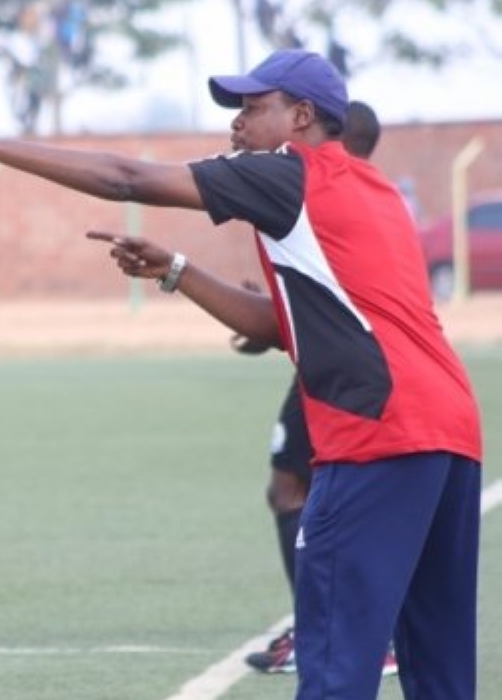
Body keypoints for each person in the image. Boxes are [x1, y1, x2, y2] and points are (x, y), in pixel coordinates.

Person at [0, 49, 481, 700]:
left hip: (379, 430)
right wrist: (178, 271)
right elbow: (275, 326)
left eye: (252, 108)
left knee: (334, 668)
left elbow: (127, 177)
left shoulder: (285, 173)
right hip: (450, 430)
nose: (237, 124)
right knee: (439, 672)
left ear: (301, 116)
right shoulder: (370, 187)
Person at [235, 99, 397, 676]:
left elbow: (129, 179)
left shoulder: (323, 195)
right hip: (351, 376)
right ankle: (352, 628)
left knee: (295, 490)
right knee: (310, 491)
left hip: (347, 384)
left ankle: (335, 629)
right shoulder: (377, 200)